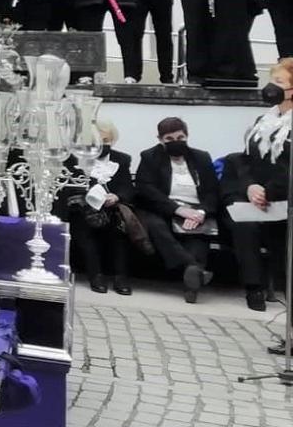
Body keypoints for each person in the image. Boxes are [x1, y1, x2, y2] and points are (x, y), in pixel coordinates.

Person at [226, 58, 293, 312]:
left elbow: (288, 167)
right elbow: (245, 159)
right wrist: (251, 186)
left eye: (279, 82)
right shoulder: (262, 120)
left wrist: (270, 190)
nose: (271, 87)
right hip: (261, 201)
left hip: (285, 202)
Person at [133, 116, 223, 303]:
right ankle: (193, 268)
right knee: (156, 226)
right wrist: (178, 210)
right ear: (160, 140)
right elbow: (147, 190)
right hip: (164, 208)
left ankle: (192, 285)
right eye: (169, 140)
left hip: (196, 210)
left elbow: (212, 191)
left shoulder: (201, 157)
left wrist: (200, 213)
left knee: (197, 235)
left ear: (187, 136)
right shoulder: (150, 157)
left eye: (180, 138)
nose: (176, 143)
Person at [56, 119, 138, 294]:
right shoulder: (75, 159)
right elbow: (69, 187)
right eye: (98, 141)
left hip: (112, 209)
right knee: (86, 233)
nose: (102, 145)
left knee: (119, 234)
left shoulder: (121, 159)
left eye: (106, 141)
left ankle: (120, 276)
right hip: (84, 209)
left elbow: (127, 187)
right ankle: (96, 275)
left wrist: (116, 196)